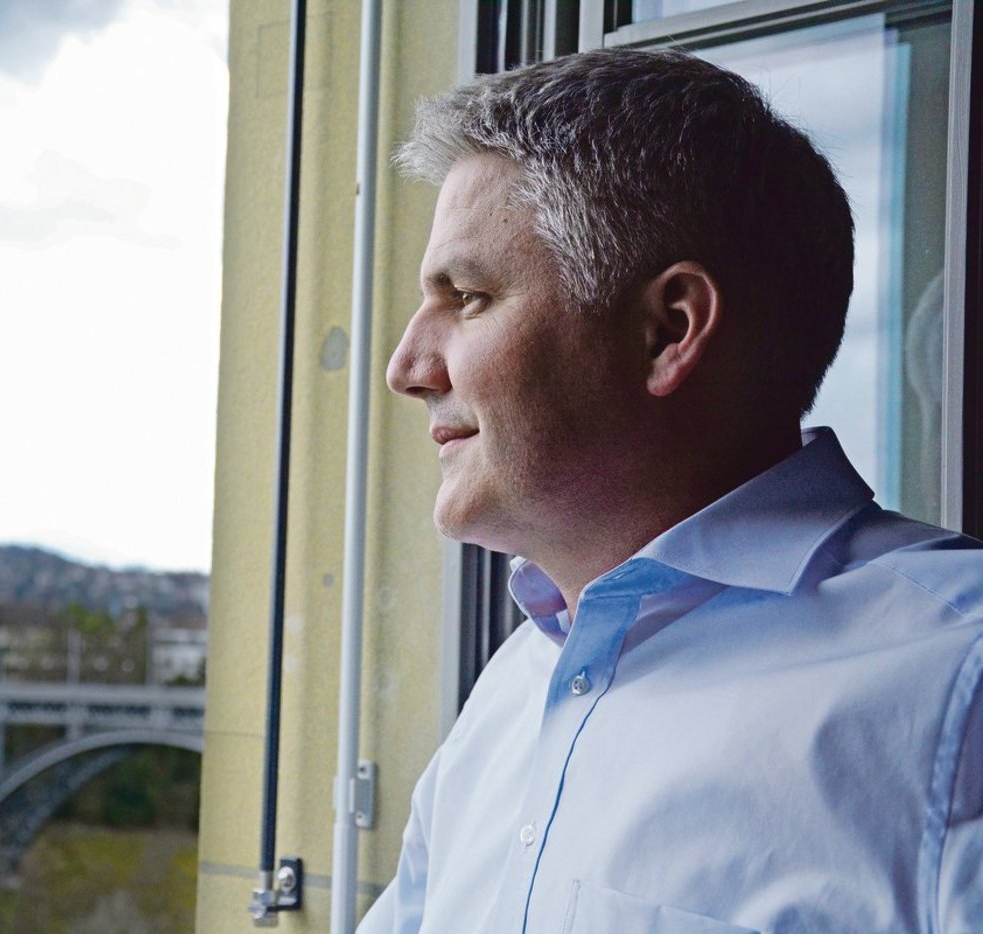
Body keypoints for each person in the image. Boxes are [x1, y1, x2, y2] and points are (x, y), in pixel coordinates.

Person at [361, 49, 983, 933]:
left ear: (667, 330)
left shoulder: (958, 680)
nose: (405, 369)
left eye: (467, 296)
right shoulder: (518, 686)